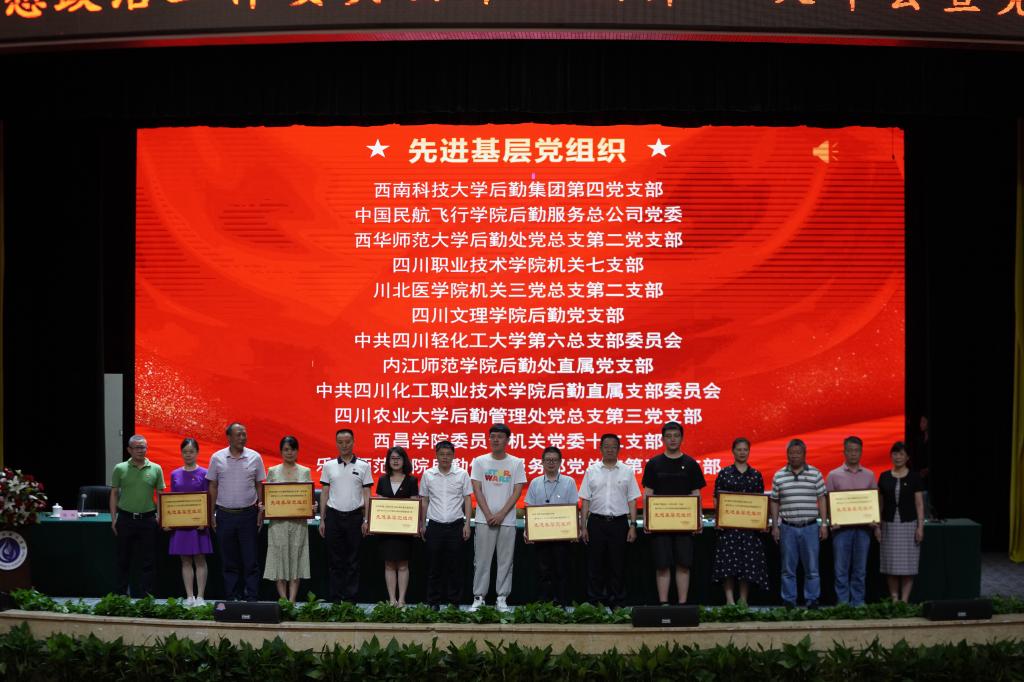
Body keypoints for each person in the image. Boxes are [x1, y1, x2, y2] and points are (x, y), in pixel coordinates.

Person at [641, 421, 707, 605]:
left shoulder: (691, 464)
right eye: (668, 436)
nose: (672, 439)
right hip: (660, 524)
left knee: (684, 564)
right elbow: (648, 493)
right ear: (662, 439)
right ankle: (664, 604)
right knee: (662, 565)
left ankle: (682, 604)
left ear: (682, 438)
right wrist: (646, 519)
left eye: (676, 436)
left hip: (684, 524)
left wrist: (698, 519)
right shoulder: (654, 464)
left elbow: (696, 493)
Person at [469, 423, 526, 612]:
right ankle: (479, 597)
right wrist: (488, 513)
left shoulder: (516, 463)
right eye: (492, 436)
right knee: (482, 560)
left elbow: (517, 491)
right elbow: (477, 489)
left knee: (505, 561)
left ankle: (501, 598)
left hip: (507, 520)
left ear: (508, 440)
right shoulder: (480, 461)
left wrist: (501, 514)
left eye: (500, 437)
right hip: (484, 519)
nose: (495, 440)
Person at [579, 433, 640, 608]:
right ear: (600, 448)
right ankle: (595, 603)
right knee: (595, 565)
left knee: (617, 565)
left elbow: (632, 500)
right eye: (606, 446)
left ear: (619, 449)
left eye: (614, 447)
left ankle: (617, 603)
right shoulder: (591, 470)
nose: (610, 450)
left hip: (619, 523)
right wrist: (583, 527)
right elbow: (585, 500)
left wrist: (633, 525)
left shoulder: (627, 471)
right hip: (596, 522)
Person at [207, 422, 266, 601]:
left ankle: (252, 597)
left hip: (248, 515)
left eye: (244, 434)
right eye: (238, 434)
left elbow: (259, 485)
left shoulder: (255, 457)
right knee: (229, 560)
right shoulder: (217, 458)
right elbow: (213, 486)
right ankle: (232, 597)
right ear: (229, 437)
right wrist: (211, 513)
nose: (242, 438)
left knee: (250, 560)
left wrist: (261, 510)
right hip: (224, 515)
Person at [770, 438, 828, 609]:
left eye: (798, 453)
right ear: (787, 454)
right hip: (788, 527)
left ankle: (812, 600)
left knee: (812, 568)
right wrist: (775, 526)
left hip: (810, 527)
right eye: (791, 453)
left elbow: (822, 499)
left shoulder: (815, 474)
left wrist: (824, 524)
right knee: (788, 569)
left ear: (804, 454)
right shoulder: (779, 475)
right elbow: (774, 501)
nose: (794, 456)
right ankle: (789, 601)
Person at [711, 437, 769, 605]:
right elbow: (716, 498)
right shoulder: (724, 473)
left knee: (746, 566)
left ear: (749, 451)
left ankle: (743, 600)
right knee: (728, 566)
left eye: (745, 450)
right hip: (728, 528)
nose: (742, 453)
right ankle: (729, 601)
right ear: (733, 451)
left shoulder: (756, 475)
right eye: (739, 449)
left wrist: (762, 521)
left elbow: (760, 501)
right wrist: (719, 517)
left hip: (749, 529)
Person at [319, 428, 373, 602]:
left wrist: (366, 519)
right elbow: (324, 493)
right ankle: (336, 598)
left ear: (353, 442)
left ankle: (350, 599)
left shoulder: (364, 466)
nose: (344, 445)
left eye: (347, 442)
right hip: (333, 517)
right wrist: (322, 519)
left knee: (353, 560)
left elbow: (367, 494)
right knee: (334, 560)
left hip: (355, 517)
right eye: (340, 442)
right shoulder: (328, 466)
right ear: (336, 444)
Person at [109, 434, 165, 597]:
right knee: (123, 559)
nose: (141, 450)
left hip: (148, 519)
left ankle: (146, 596)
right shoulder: (120, 468)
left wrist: (160, 516)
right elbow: (114, 494)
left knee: (149, 560)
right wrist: (113, 519)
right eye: (138, 447)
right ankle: (121, 595)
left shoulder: (156, 468)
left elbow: (160, 494)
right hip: (125, 519)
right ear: (129, 450)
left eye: (143, 447)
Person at [419, 441, 473, 609]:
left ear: (453, 456)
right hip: (434, 526)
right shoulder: (428, 475)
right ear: (436, 455)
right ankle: (433, 603)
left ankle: (454, 603)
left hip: (456, 526)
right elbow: (424, 500)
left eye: (448, 454)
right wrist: (422, 524)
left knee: (455, 567)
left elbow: (468, 499)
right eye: (442, 454)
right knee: (433, 567)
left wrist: (467, 523)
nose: (445, 457)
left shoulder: (462, 474)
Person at [523, 446, 579, 606]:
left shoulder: (569, 482)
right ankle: (544, 603)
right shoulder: (535, 483)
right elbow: (529, 507)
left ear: (560, 462)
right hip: (541, 535)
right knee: (543, 571)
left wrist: (576, 530)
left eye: (554, 460)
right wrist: (527, 530)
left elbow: (574, 506)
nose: (551, 463)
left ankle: (561, 603)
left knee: (562, 570)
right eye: (548, 460)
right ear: (542, 462)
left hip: (563, 535)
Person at [825, 435, 877, 607]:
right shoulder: (833, 475)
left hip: (863, 529)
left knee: (860, 570)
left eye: (856, 450)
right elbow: (828, 502)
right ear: (844, 452)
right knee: (841, 569)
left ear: (861, 452)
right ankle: (843, 604)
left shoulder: (869, 475)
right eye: (850, 450)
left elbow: (874, 502)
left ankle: (858, 603)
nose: (853, 453)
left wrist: (874, 520)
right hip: (841, 530)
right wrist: (831, 520)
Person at [263, 435, 313, 603]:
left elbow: (308, 497)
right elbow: (268, 497)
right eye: (286, 449)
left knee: (296, 559)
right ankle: (284, 601)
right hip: (278, 524)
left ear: (297, 451)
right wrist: (264, 507)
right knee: (279, 559)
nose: (289, 452)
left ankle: (292, 601)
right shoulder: (273, 471)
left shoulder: (305, 471)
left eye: (292, 449)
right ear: (281, 451)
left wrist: (311, 506)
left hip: (298, 524)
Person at [877, 441, 925, 603]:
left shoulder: (914, 477)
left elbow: (919, 504)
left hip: (909, 525)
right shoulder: (884, 476)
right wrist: (878, 526)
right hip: (889, 525)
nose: (898, 457)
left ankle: (904, 601)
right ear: (891, 456)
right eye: (895, 453)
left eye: (901, 454)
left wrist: (920, 527)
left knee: (908, 566)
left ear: (907, 457)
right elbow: (879, 504)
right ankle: (894, 599)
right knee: (890, 565)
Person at [166, 438, 212, 606]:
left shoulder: (204, 473)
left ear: (197, 453)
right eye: (185, 452)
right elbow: (171, 501)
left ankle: (200, 596)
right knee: (185, 560)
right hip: (181, 524)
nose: (188, 455)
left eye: (191, 452)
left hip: (199, 525)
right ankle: (190, 596)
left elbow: (208, 499)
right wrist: (169, 520)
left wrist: (205, 520)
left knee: (200, 560)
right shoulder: (175, 474)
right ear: (181, 453)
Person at [374, 446, 419, 606]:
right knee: (389, 564)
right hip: (386, 530)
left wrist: (416, 525)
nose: (395, 461)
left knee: (403, 565)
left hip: (404, 530)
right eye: (392, 458)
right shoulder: (382, 480)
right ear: (388, 461)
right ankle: (392, 599)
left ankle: (402, 600)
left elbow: (414, 504)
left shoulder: (411, 480)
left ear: (404, 461)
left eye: (398, 458)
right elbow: (378, 503)